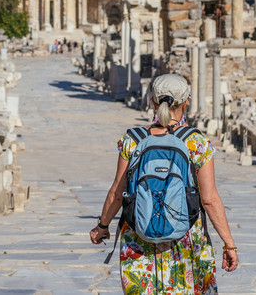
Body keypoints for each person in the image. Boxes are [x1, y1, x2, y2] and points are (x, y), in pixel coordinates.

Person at [89, 74, 238, 294]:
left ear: (152, 102)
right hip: (185, 239)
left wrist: (102, 226)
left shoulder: (133, 139)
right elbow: (209, 199)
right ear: (186, 102)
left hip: (139, 238)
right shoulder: (196, 142)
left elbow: (117, 193)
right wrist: (229, 244)